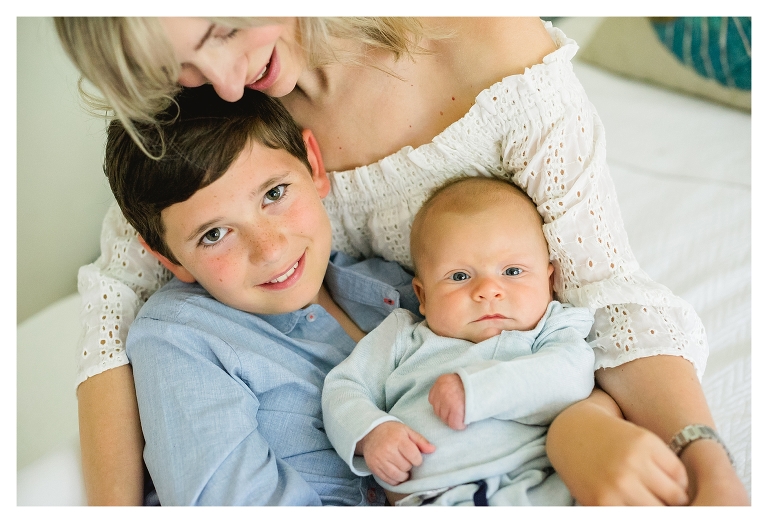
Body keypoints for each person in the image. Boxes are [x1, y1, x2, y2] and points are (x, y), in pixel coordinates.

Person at [54, 17, 747, 505]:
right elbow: (117, 306)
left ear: (312, 167)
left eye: (225, 34)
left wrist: (691, 448)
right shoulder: (211, 112)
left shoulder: (493, 57)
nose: (225, 86)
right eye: (178, 68)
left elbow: (602, 298)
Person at [105, 84, 426, 504]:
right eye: (214, 234)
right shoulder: (181, 336)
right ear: (168, 257)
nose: (270, 249)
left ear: (313, 165)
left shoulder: (396, 286)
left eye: (274, 194)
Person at [322, 176, 595, 506]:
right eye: (460, 276)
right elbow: (344, 387)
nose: (487, 290)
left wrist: (478, 391)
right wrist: (371, 432)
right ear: (423, 295)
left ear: (549, 282)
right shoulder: (402, 336)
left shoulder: (549, 330)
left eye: (512, 271)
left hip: (533, 485)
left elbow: (570, 378)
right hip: (428, 499)